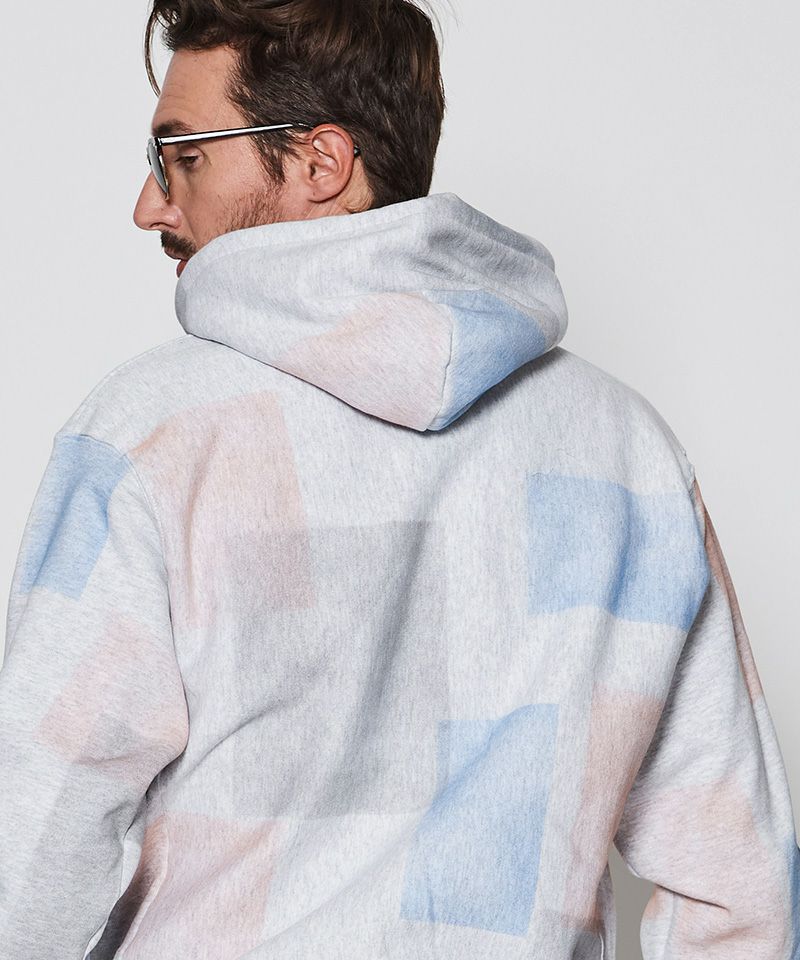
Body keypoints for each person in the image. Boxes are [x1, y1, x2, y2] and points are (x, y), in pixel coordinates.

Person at [1, 0, 797, 957]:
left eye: (184, 155)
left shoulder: (150, 435)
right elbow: (739, 892)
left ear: (321, 163)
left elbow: (31, 853)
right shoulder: (626, 453)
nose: (151, 203)